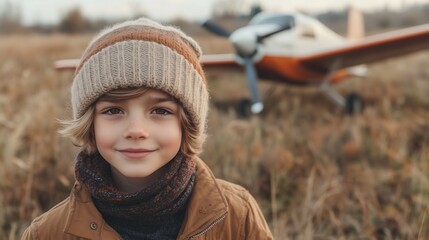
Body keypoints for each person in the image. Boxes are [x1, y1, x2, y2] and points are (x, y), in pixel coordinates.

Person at [21, 17, 273, 240]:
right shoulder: (46, 233)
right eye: (113, 111)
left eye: (160, 111)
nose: (136, 130)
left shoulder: (238, 217)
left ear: (187, 124)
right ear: (90, 123)